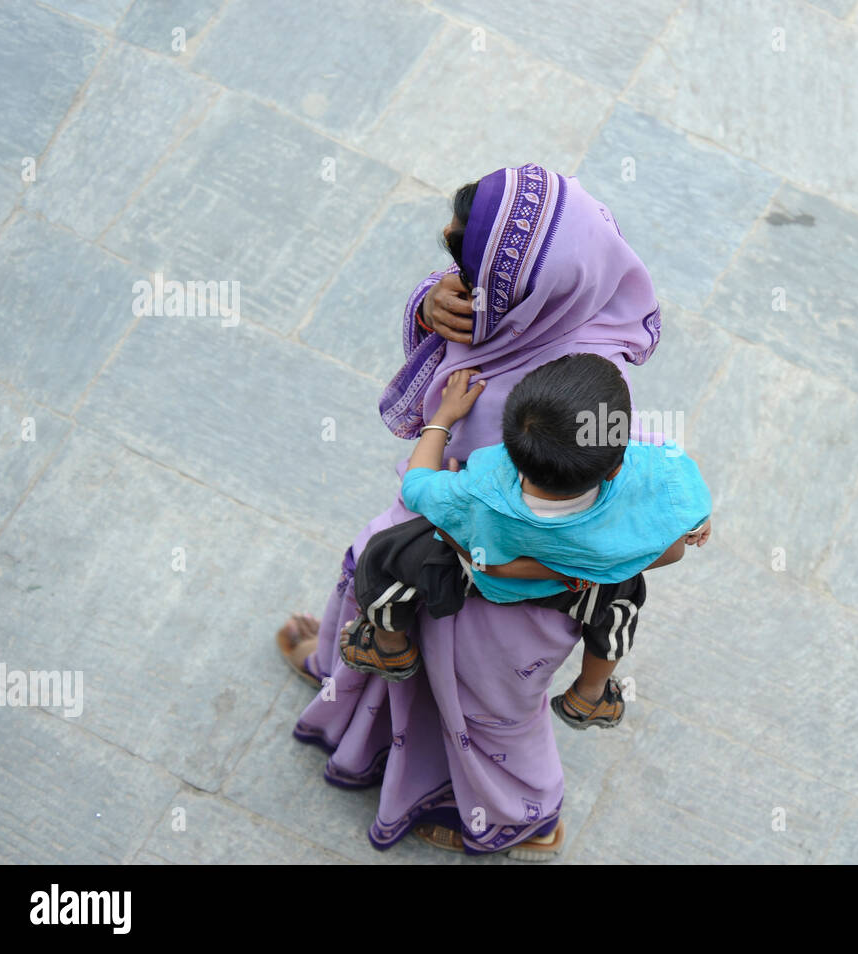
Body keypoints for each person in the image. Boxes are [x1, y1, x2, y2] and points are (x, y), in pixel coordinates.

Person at [276, 162, 671, 859]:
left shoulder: (552, 401)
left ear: (524, 289)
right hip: (466, 556)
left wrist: (485, 551)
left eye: (469, 270)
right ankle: (353, 693)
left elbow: (516, 511)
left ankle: (533, 819)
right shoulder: (552, 304)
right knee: (412, 652)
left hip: (496, 602)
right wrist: (431, 305)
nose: (457, 283)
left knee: (488, 717)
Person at [337, 355, 712, 732]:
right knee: (622, 606)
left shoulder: (479, 486)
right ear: (617, 462)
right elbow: (684, 532)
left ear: (511, 441)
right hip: (581, 590)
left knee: (385, 556)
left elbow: (415, 487)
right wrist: (692, 525)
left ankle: (389, 647)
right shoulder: (661, 472)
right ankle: (591, 694)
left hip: (485, 576)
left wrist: (443, 419)